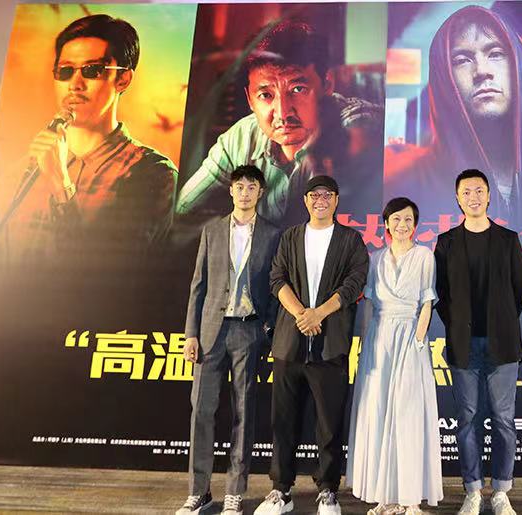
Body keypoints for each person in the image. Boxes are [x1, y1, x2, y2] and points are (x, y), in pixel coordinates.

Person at [385, 5, 522, 226]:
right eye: (462, 60)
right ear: (444, 78)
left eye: (496, 54)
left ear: (518, 65)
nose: (482, 71)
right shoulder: (409, 182)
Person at [0, 14, 177, 260]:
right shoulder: (18, 173)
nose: (75, 84)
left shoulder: (152, 174)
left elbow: (109, 273)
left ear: (123, 79)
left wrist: (61, 185)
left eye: (92, 70)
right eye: (65, 71)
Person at [176, 21, 382, 230]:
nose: (283, 113)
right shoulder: (240, 138)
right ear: (249, 100)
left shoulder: (357, 125)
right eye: (266, 95)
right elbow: (183, 211)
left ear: (327, 85)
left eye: (298, 89)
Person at [255, 175, 369, 515]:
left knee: (329, 424)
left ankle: (328, 490)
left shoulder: (350, 239)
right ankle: (281, 490)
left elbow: (354, 283)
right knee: (283, 421)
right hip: (289, 344)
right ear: (305, 201)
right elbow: (277, 278)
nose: (320, 200)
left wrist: (318, 313)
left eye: (327, 195)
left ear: (336, 200)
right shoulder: (290, 236)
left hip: (331, 345)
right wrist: (302, 314)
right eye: (314, 195)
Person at [176, 165, 281, 515]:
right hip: (211, 331)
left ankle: (235, 492)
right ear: (231, 191)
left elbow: (277, 286)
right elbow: (198, 285)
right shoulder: (212, 230)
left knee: (244, 413)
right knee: (201, 412)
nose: (245, 193)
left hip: (249, 331)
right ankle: (199, 492)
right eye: (239, 186)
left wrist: (267, 329)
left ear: (260, 192)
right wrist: (191, 334)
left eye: (252, 187)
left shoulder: (272, 234)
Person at [434, 169, 522, 515]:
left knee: (504, 419)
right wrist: (459, 325)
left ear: (489, 196)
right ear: (458, 199)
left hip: (502, 343)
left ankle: (501, 491)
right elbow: (441, 294)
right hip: (463, 344)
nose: (473, 197)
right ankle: (472, 491)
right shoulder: (446, 242)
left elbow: (518, 292)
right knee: (467, 418)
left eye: (479, 191)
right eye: (466, 192)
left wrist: (500, 322)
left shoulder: (508, 239)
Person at [346, 197, 443, 515]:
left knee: (408, 414)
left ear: (415, 225)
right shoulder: (375, 258)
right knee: (378, 411)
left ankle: (410, 497)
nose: (402, 225)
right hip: (379, 339)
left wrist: (419, 340)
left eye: (408, 220)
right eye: (396, 219)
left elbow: (427, 303)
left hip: (410, 336)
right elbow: (369, 304)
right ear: (386, 224)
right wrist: (365, 343)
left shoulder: (425, 256)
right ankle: (384, 495)